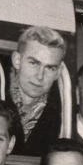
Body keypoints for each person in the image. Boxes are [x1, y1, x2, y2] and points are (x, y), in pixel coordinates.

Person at [10, 26, 66, 156]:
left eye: (50, 68)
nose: (40, 76)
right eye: (34, 63)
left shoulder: (65, 113)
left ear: (58, 72)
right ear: (17, 60)